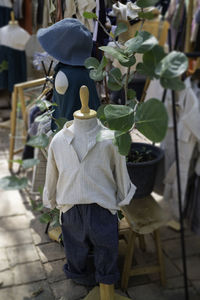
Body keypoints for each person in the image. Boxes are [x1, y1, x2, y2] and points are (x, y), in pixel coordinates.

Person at [43, 85, 136, 287]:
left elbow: (120, 171)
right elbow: (52, 174)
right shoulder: (58, 141)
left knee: (107, 248)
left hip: (102, 208)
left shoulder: (111, 139)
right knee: (74, 249)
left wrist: (123, 196)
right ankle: (80, 277)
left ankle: (106, 281)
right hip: (71, 209)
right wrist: (50, 197)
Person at [37, 18, 100, 130]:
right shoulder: (88, 70)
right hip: (93, 128)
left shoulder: (63, 75)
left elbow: (62, 113)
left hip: (68, 135)